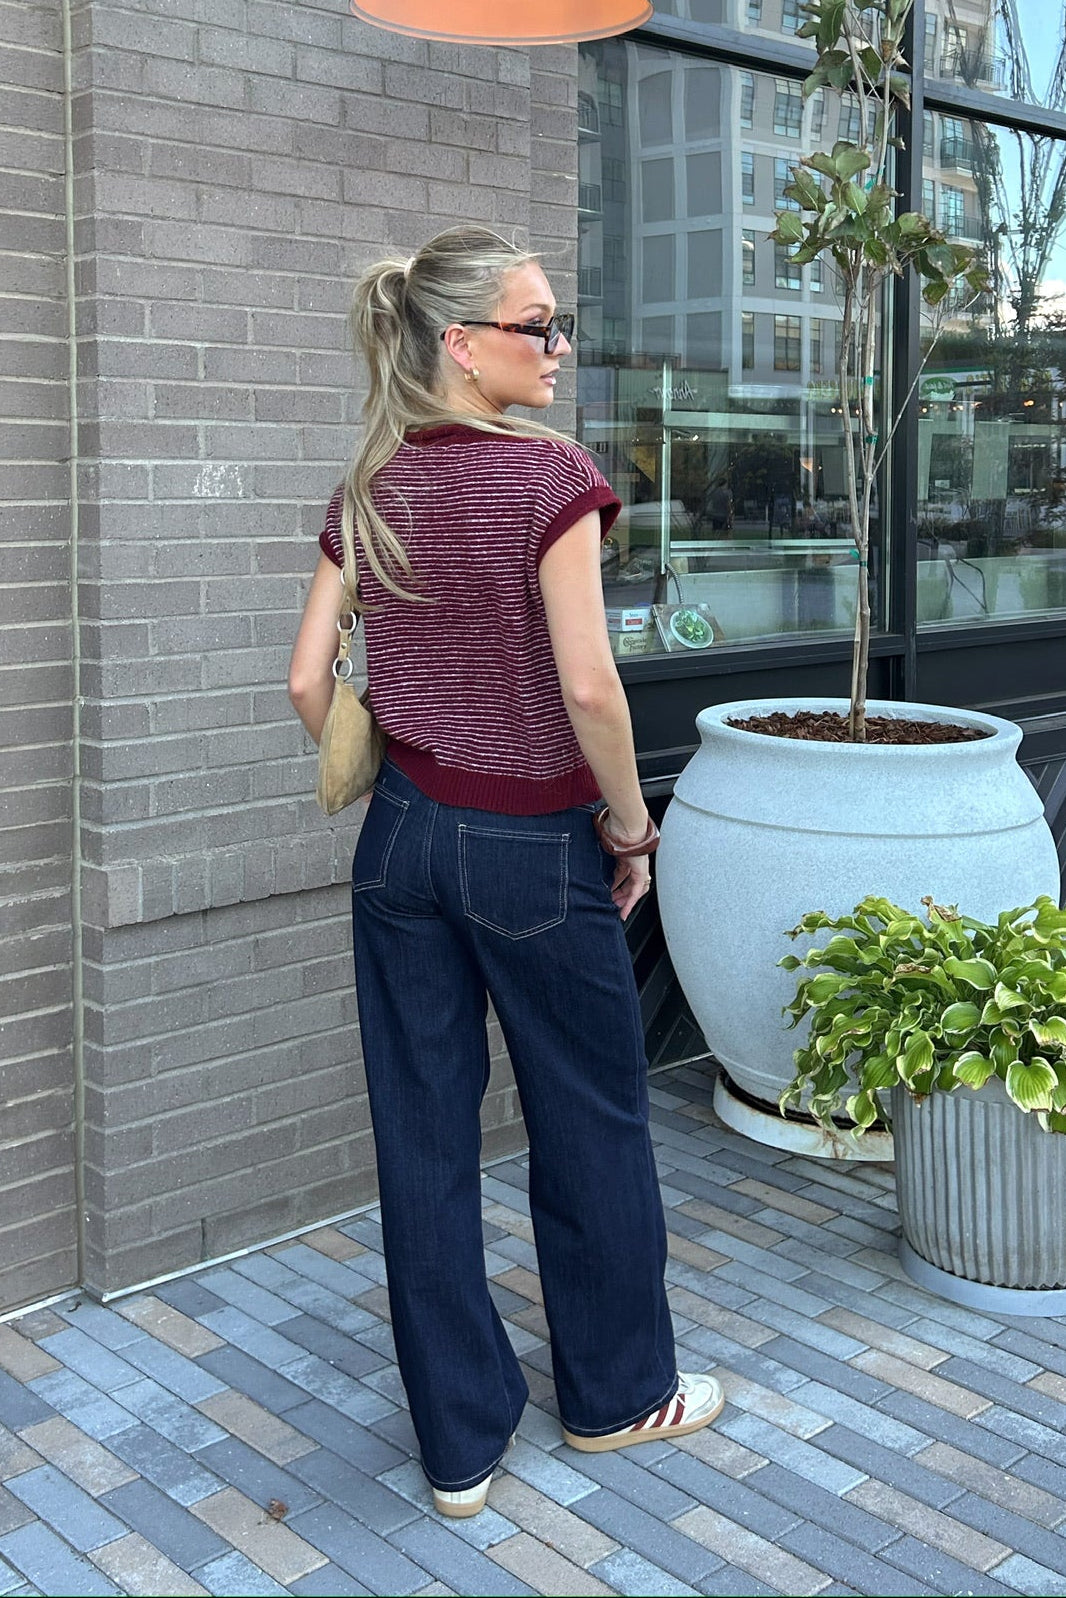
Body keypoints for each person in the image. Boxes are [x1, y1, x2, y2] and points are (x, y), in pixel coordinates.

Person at [288, 226, 722, 1519]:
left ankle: (459, 1450)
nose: (560, 347)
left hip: (399, 841)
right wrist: (631, 828)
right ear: (460, 342)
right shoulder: (549, 478)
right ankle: (615, 1395)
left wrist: (417, 754)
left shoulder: (370, 484)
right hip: (532, 847)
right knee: (588, 1117)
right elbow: (590, 686)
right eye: (539, 326)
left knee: (421, 1136)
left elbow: (306, 683)